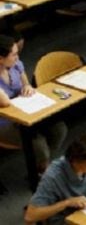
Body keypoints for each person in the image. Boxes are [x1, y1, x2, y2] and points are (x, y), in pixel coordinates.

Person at [0, 35, 67, 173]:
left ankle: (44, 164)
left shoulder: (15, 65)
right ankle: (42, 170)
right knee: (38, 145)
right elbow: (5, 102)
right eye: (13, 54)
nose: (17, 57)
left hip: (26, 110)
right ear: (0, 58)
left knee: (59, 129)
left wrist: (28, 88)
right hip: (5, 122)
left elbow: (27, 84)